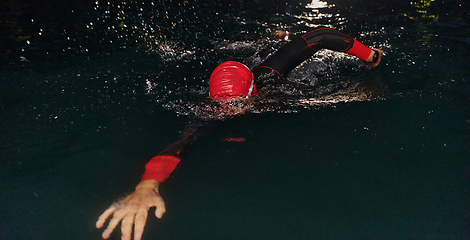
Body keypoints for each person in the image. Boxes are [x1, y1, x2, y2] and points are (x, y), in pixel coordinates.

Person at [95, 26, 384, 240]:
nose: (229, 111)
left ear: (251, 93)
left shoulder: (270, 76)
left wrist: (369, 55)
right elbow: (179, 146)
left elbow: (320, 36)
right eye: (223, 105)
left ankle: (276, 39)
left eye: (236, 104)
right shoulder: (212, 113)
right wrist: (146, 186)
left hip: (265, 73)